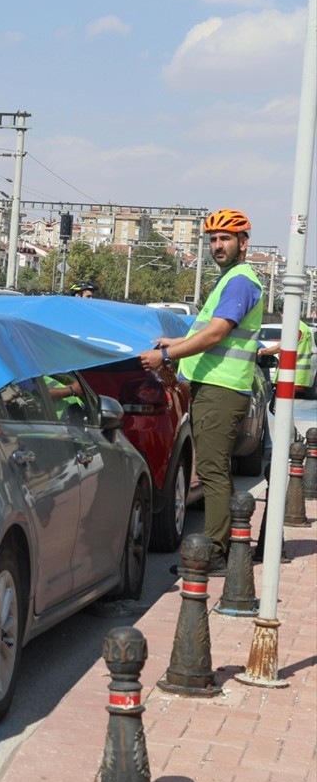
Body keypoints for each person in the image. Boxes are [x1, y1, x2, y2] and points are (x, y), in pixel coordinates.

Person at [138, 209, 263, 573]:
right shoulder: (231, 279)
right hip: (216, 386)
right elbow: (207, 331)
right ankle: (216, 548)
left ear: (244, 242)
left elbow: (217, 333)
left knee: (211, 470)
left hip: (223, 387)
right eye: (212, 239)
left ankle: (213, 554)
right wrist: (177, 340)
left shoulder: (239, 280)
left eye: (225, 238)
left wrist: (165, 354)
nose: (217, 245)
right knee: (212, 468)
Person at [258, 319, 313, 411]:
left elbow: (280, 347)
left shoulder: (295, 326)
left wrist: (262, 351)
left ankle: (288, 426)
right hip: (297, 375)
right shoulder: (304, 327)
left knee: (277, 409)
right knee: (282, 410)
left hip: (289, 375)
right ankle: (289, 425)